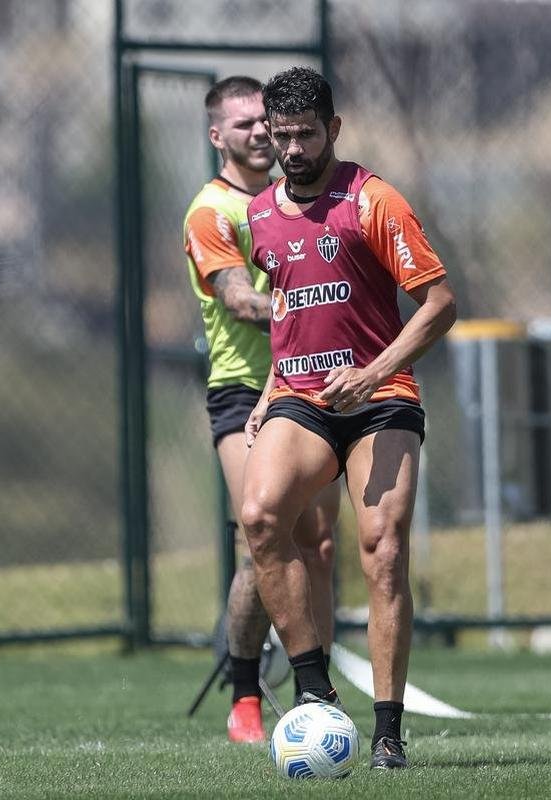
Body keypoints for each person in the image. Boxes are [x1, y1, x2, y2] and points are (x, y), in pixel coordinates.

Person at [240, 66, 457, 770]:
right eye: (282, 136)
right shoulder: (261, 216)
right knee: (262, 516)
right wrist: (272, 391)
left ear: (333, 130)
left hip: (380, 395)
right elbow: (291, 314)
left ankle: (388, 730)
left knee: (382, 548)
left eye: (306, 134)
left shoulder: (374, 201)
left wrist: (371, 372)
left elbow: (439, 304)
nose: (293, 148)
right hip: (301, 399)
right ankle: (312, 690)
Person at [182, 76, 339, 745]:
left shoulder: (293, 200)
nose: (258, 133)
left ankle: (318, 694)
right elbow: (237, 294)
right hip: (244, 392)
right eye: (242, 124)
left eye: (264, 123)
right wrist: (299, 306)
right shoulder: (211, 211)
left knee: (321, 546)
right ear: (218, 135)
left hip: (312, 386)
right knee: (263, 536)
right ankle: (245, 690)